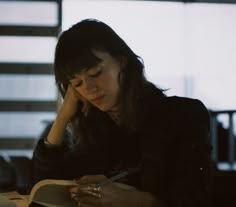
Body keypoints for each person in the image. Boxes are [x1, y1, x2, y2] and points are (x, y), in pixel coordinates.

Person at [31, 19, 213, 207]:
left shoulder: (182, 115)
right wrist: (63, 117)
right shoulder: (96, 128)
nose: (89, 88)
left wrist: (129, 200)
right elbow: (43, 190)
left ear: (122, 60)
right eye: (77, 84)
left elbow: (193, 199)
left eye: (95, 73)